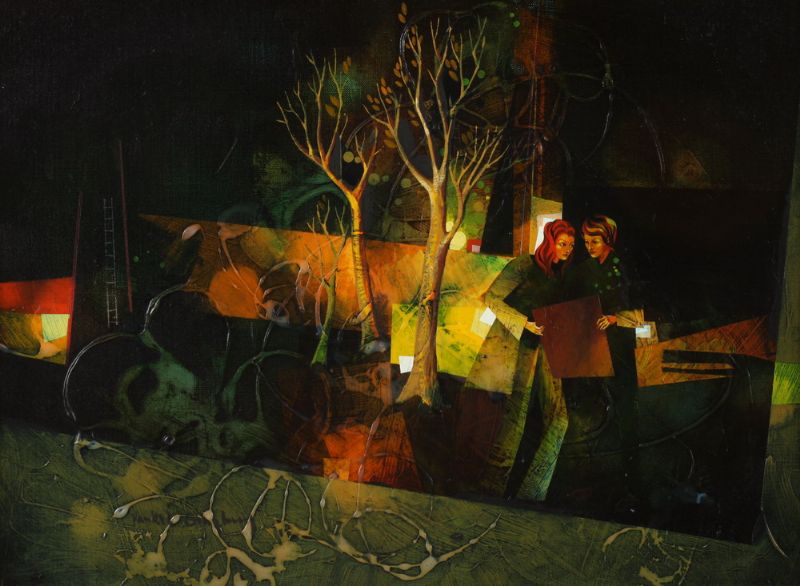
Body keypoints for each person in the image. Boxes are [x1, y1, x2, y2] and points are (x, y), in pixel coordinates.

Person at [462, 219, 575, 500]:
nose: (567, 250)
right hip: (517, 348)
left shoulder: (562, 275)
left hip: (548, 350)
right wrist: (524, 323)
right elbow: (493, 298)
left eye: (571, 245)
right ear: (549, 242)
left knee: (559, 416)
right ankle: (493, 487)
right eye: (562, 244)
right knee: (515, 419)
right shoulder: (524, 265)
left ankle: (534, 489)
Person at [561, 214, 645, 514]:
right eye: (586, 242)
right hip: (589, 349)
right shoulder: (582, 271)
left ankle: (629, 483)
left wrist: (615, 318)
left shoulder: (624, 268)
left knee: (624, 413)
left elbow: (641, 314)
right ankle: (589, 481)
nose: (589, 247)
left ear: (608, 239)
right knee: (589, 412)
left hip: (619, 349)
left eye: (594, 241)